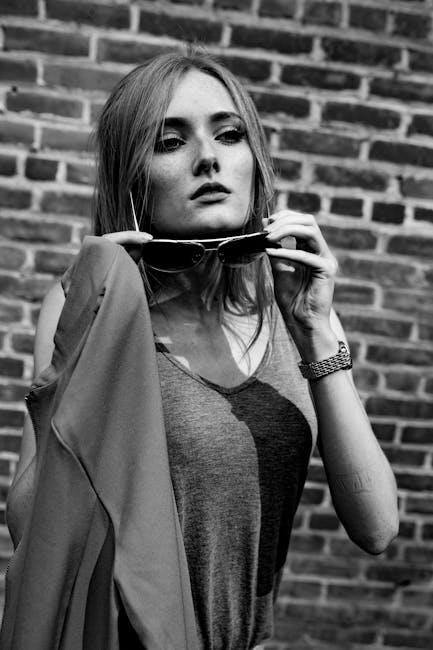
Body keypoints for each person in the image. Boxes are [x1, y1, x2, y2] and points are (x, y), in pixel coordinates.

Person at [7, 50, 399, 649]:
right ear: (132, 180)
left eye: (229, 134)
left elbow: (377, 528)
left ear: (255, 160)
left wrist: (317, 330)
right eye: (170, 142)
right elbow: (33, 531)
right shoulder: (85, 308)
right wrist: (90, 329)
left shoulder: (294, 309)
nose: (208, 158)